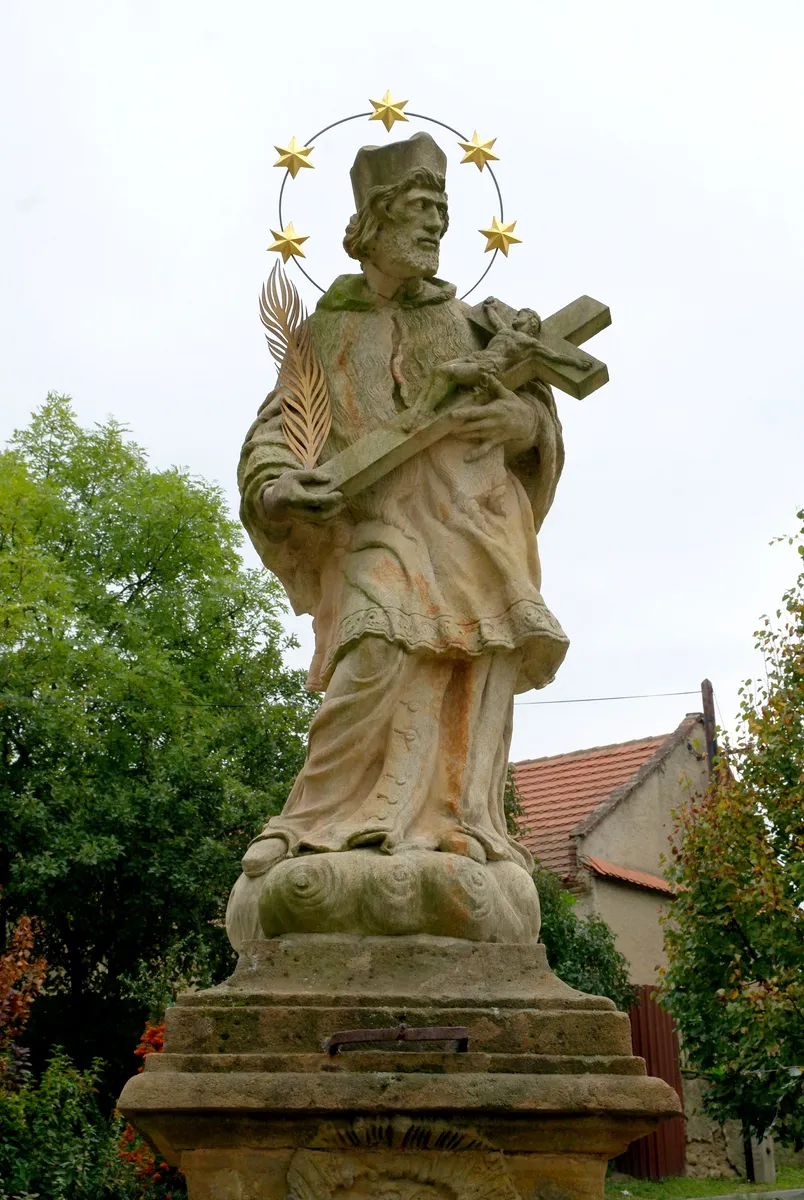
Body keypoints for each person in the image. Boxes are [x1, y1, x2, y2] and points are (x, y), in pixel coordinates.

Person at [226, 132, 569, 948]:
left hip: (474, 536)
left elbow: (541, 424)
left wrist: (520, 419)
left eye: (442, 216)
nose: (433, 231)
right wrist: (276, 485)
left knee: (463, 683)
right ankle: (316, 821)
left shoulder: (476, 323)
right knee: (375, 650)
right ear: (370, 225)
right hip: (378, 531)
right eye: (416, 214)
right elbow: (278, 432)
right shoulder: (325, 335)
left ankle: (452, 827)